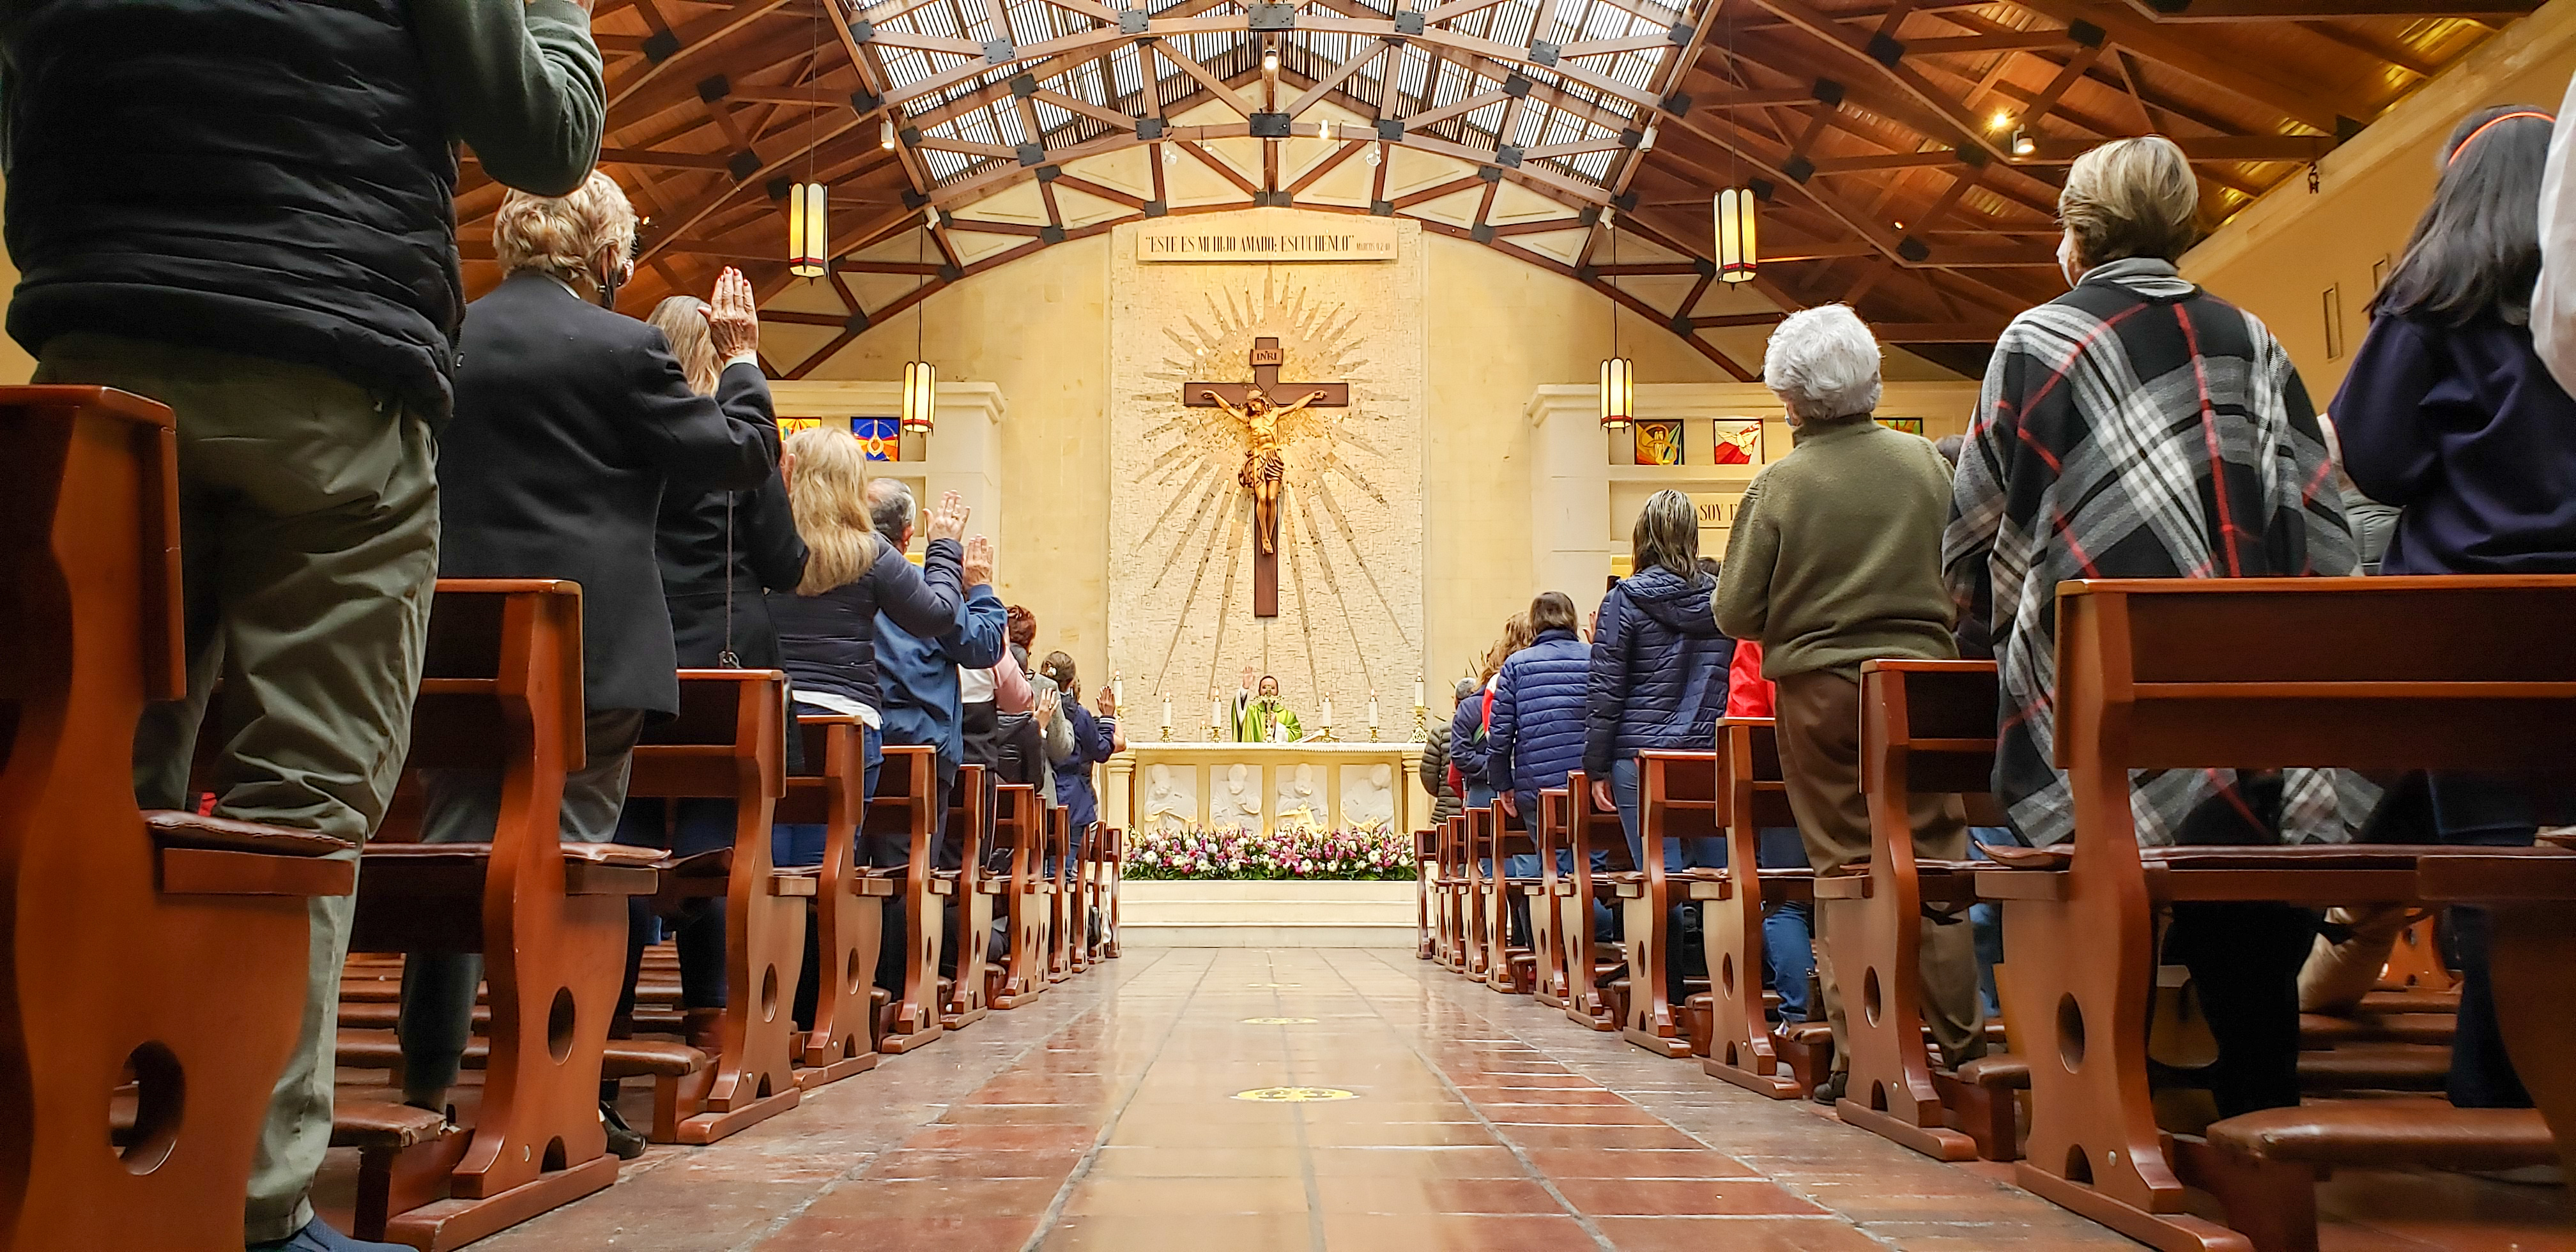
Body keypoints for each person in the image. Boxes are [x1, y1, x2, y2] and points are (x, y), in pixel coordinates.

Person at [4, 1, 604, 1244]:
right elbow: (548, 132)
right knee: (304, 807)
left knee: (70, 781)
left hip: (99, 323)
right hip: (329, 359)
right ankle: (250, 1204)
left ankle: (47, 1164)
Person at [1945, 135, 2355, 1118]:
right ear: (2182, 227)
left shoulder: (2038, 342)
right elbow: (2324, 522)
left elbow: (1973, 537)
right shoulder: (2252, 339)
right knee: (2240, 860)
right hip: (2245, 692)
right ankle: (2259, 1102)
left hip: (2100, 697)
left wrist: (1980, 646)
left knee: (2100, 832)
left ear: (2075, 236)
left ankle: (2105, 1100)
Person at [422, 179, 779, 1161]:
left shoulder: (447, 333)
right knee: (579, 871)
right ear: (607, 253)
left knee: (451, 866)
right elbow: (738, 457)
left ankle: (422, 1105)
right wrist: (742, 359)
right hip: (592, 651)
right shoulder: (626, 351)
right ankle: (558, 1094)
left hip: (456, 643)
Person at [2329, 104, 2565, 1112]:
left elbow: (2374, 461)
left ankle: (2506, 1081)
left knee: (2492, 859)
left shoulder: (2430, 302)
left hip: (2469, 616)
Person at [1715, 304, 1984, 1104]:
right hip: (1927, 686)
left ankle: (1858, 1053)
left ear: (1789, 398)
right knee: (1934, 860)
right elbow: (1968, 575)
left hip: (1824, 697)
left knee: (1845, 868)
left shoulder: (1780, 484)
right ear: (1872, 379)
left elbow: (1735, 612)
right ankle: (1963, 1053)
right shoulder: (1929, 466)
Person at [595, 293, 806, 1063]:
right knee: (723, 841)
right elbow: (786, 564)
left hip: (637, 653)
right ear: (721, 358)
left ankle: (602, 1037)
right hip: (726, 665)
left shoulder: (627, 436)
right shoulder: (731, 445)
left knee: (627, 840)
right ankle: (712, 1031)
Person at [1584, 489, 1735, 869]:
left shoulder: (1623, 599)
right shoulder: (1723, 601)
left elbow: (1606, 691)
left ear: (1643, 537)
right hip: (1707, 756)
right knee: (1719, 877)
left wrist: (1597, 768)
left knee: (1658, 876)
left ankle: (1669, 930)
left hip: (1638, 756)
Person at [1039, 653, 1122, 838]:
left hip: (1039, 794)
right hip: (1071, 797)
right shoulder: (1079, 715)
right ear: (1070, 683)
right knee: (1064, 863)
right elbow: (1101, 750)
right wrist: (1108, 717)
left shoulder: (1033, 705)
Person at [1231, 670, 1305, 742]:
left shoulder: (1288, 716)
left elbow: (1297, 738)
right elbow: (1240, 710)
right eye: (1264, 687)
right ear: (1259, 691)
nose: (1268, 691)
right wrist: (1245, 687)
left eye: (1272, 688)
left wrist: (1277, 726)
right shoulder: (1251, 712)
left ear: (1277, 692)